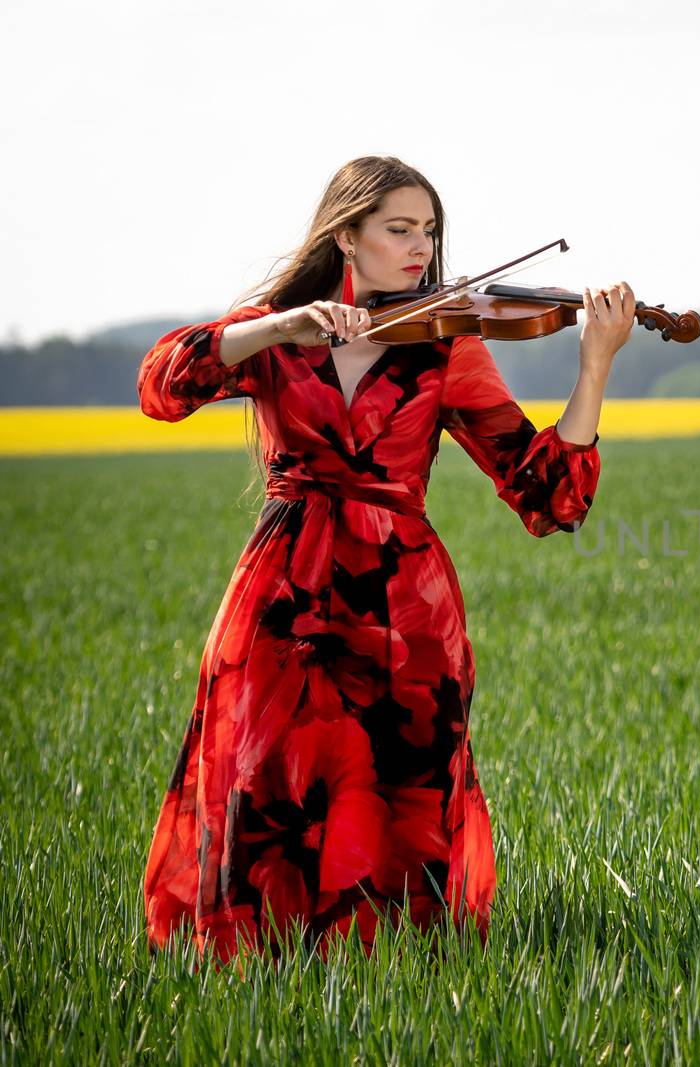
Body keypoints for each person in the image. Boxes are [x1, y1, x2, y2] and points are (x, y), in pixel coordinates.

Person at [136, 155, 635, 966]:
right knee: (263, 781)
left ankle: (399, 980)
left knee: (402, 787)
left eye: (428, 232)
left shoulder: (446, 346)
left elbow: (548, 496)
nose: (419, 249)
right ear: (346, 235)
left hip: (404, 599)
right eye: (399, 229)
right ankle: (251, 976)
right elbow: (163, 385)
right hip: (282, 588)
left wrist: (595, 365)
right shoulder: (274, 335)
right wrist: (278, 325)